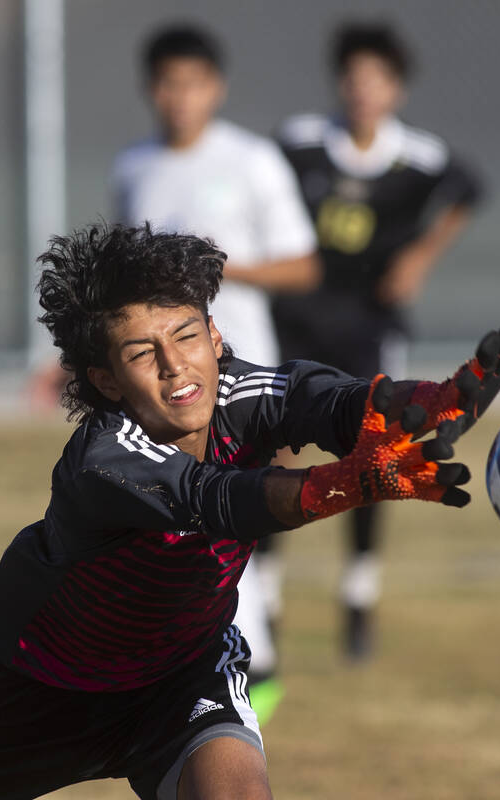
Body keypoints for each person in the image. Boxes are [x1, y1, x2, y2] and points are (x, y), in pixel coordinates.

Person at [0, 221, 500, 799]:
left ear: (213, 335)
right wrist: (349, 485)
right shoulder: (103, 459)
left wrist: (433, 400)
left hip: (180, 679)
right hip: (27, 687)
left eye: (185, 335)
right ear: (105, 380)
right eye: (140, 353)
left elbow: (328, 399)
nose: (175, 365)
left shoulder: (242, 392)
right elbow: (215, 499)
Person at [112, 23, 320, 706]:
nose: (180, 98)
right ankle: (214, 661)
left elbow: (304, 264)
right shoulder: (134, 169)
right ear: (151, 90)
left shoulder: (253, 160)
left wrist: (226, 269)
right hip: (162, 382)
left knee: (226, 513)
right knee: (177, 516)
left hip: (240, 373)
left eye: (193, 83)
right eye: (168, 84)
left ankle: (251, 669)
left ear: (216, 88)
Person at [265, 20, 483, 660]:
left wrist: (420, 255)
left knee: (373, 454)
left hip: (369, 327)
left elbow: (469, 191)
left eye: (376, 80)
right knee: (274, 453)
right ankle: (267, 598)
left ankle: (359, 593)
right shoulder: (299, 145)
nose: (362, 91)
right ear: (340, 82)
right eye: (353, 78)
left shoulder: (419, 159)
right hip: (297, 322)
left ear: (397, 90)